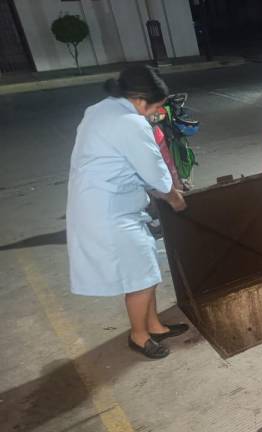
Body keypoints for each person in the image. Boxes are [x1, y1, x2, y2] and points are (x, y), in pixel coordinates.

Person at [67, 65, 188, 360]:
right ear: (139, 99)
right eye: (156, 107)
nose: (155, 113)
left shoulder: (99, 110)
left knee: (145, 270)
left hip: (105, 204)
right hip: (109, 212)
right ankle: (140, 335)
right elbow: (157, 178)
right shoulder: (130, 123)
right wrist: (176, 200)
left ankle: (155, 325)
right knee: (141, 277)